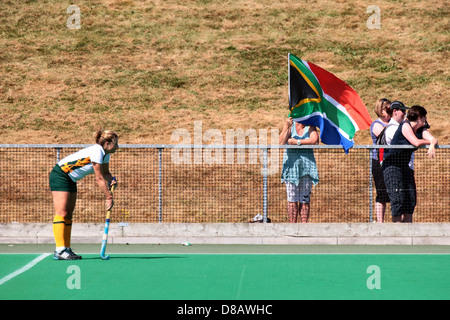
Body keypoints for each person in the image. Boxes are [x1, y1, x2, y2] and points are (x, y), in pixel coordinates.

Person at [49, 130, 119, 260]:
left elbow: (105, 173)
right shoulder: (97, 151)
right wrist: (108, 197)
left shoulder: (105, 154)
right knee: (62, 212)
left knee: (69, 213)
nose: (118, 147)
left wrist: (111, 180)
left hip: (71, 179)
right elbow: (99, 178)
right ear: (108, 143)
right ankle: (60, 250)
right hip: (60, 175)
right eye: (116, 144)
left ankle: (67, 249)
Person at [382, 105, 436, 223]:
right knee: (398, 198)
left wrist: (432, 144)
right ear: (420, 117)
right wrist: (429, 142)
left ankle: (408, 232)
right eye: (424, 117)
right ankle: (397, 233)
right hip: (392, 165)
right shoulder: (405, 126)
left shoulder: (421, 129)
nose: (426, 120)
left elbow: (433, 139)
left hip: (405, 166)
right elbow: (415, 142)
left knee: (410, 199)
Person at [279, 117, 319, 223]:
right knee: (292, 199)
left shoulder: (310, 125)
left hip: (307, 168)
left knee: (305, 199)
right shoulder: (290, 125)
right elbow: (281, 143)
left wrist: (297, 142)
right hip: (291, 167)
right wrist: (286, 126)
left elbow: (314, 140)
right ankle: (293, 225)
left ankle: (304, 226)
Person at [370, 98, 391, 223]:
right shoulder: (376, 124)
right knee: (381, 191)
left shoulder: (393, 124)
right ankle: (380, 221)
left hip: (392, 161)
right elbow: (387, 136)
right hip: (379, 162)